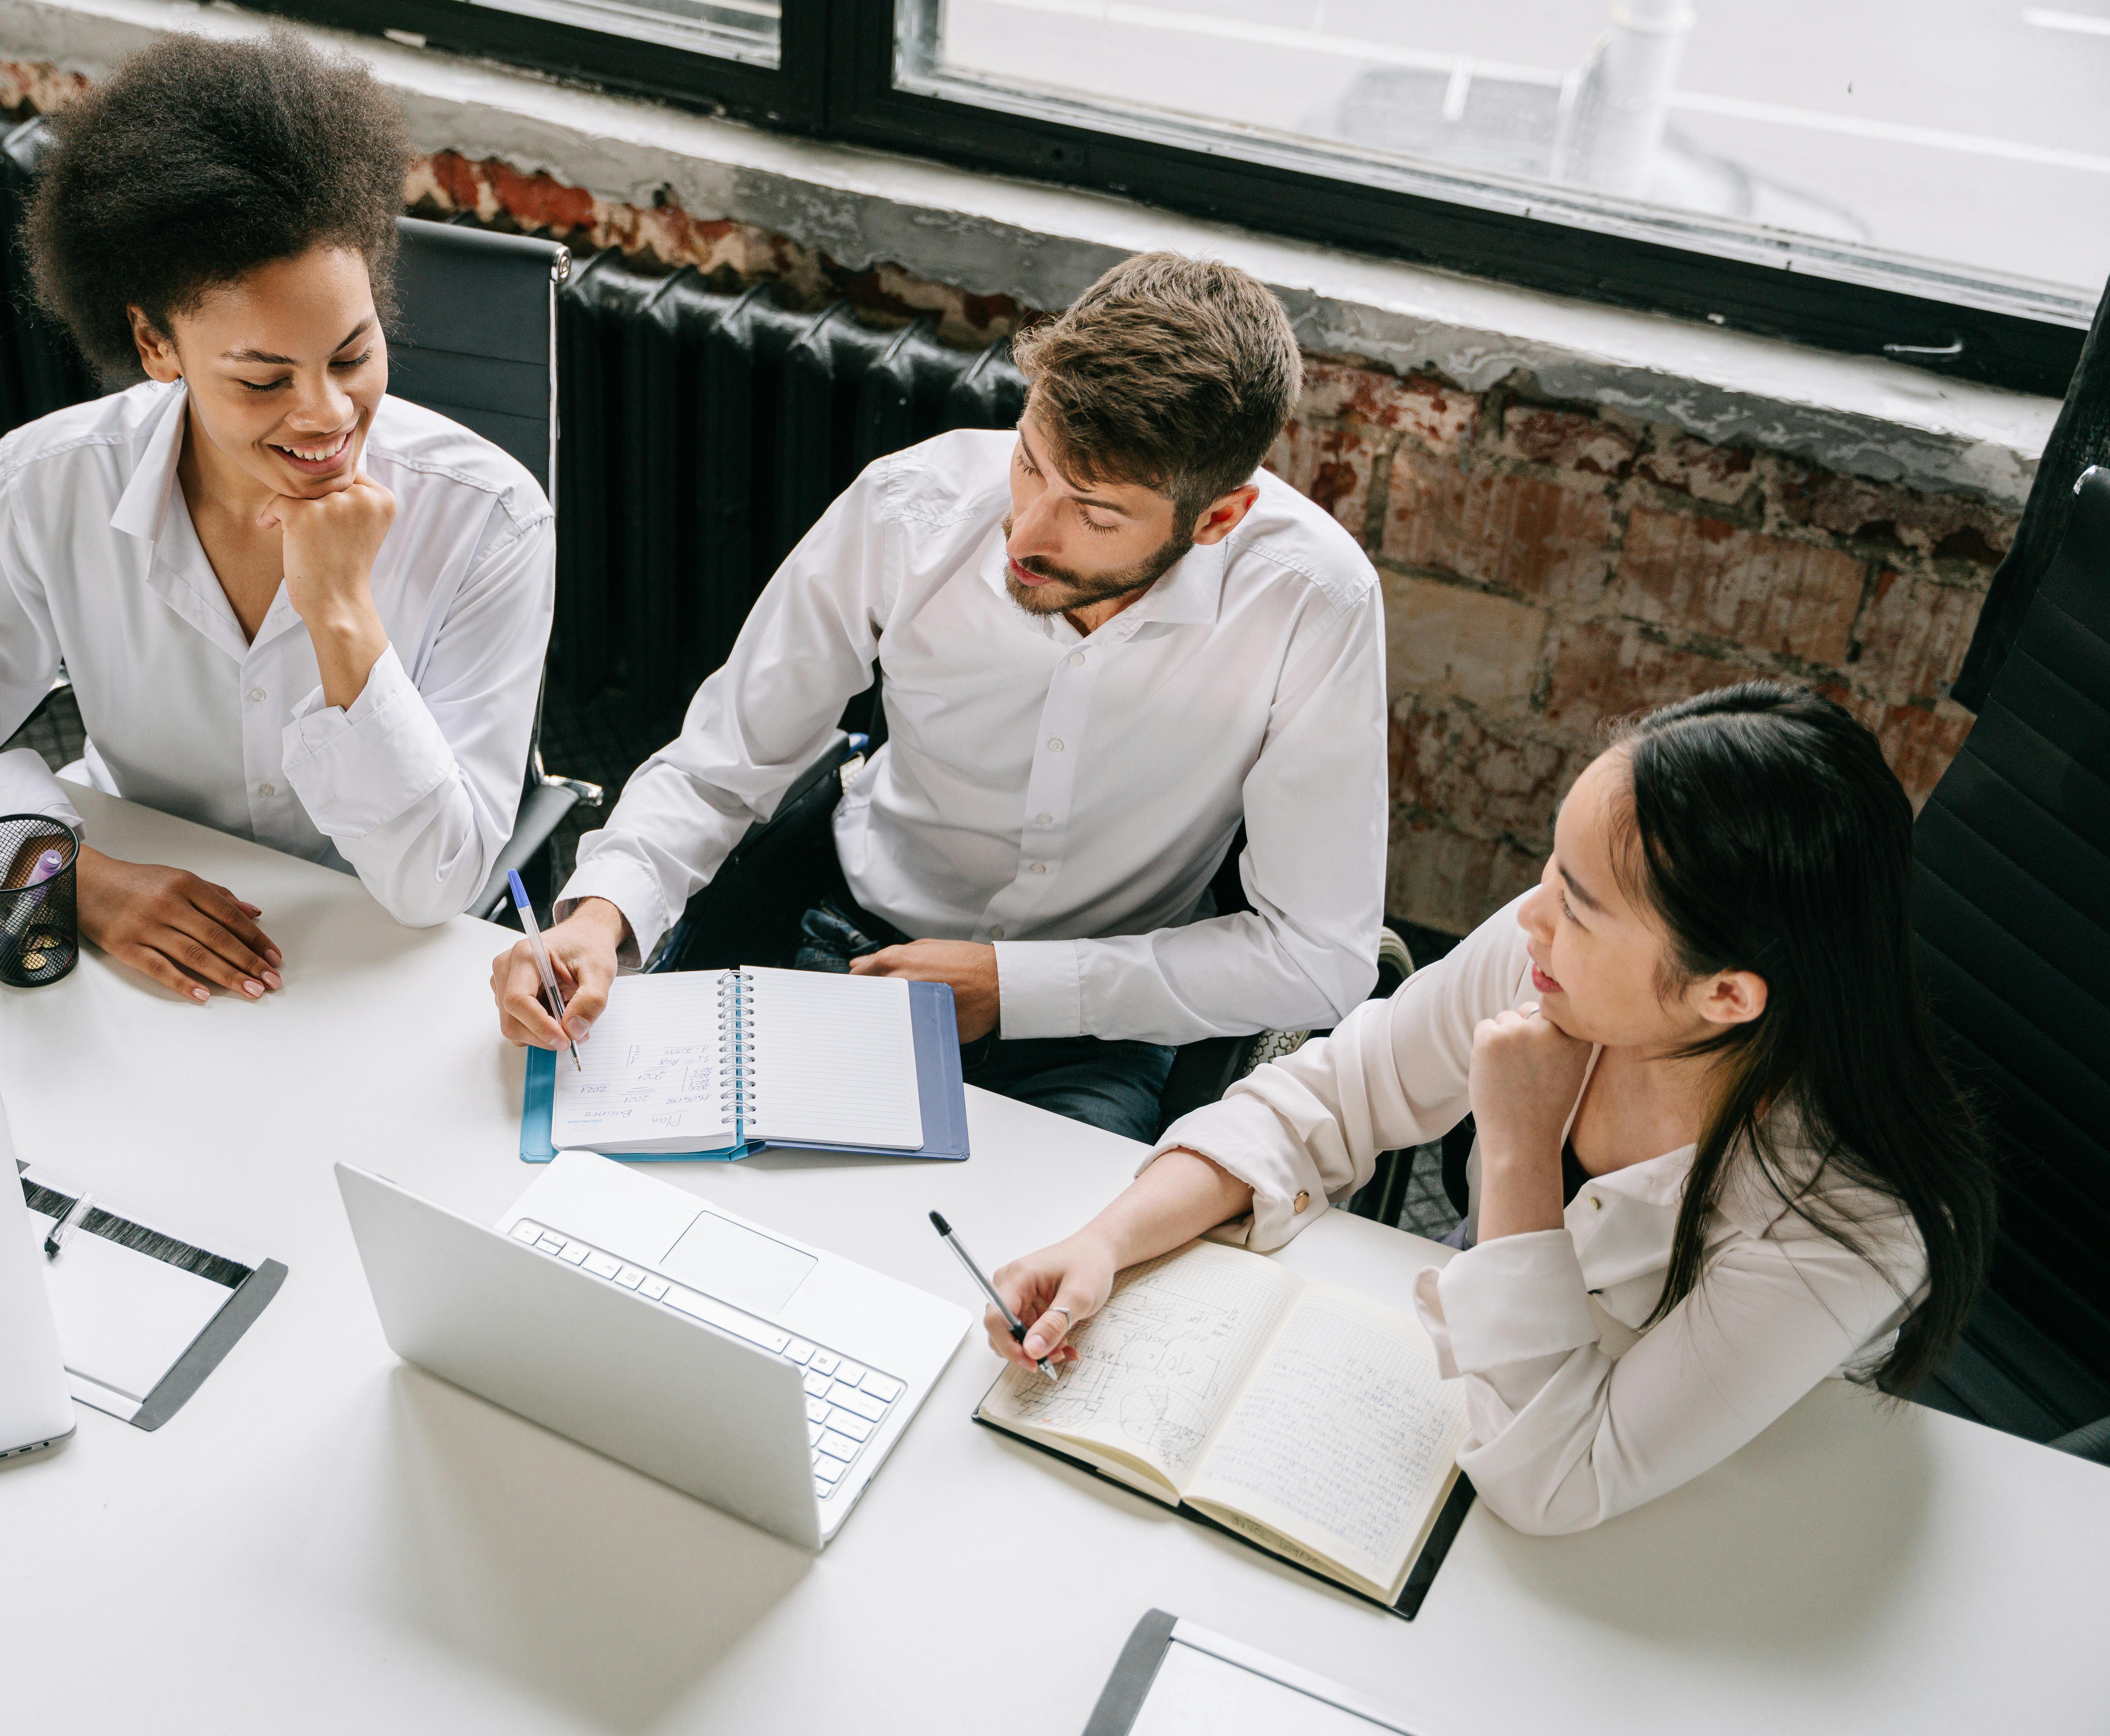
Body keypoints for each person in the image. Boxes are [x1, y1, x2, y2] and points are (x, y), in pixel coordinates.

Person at [980, 683, 1996, 1534]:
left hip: (1701, 1531)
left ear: (1725, 995)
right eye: (1553, 868)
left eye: (1581, 906)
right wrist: (1108, 1242)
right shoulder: (1548, 959)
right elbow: (1327, 1098)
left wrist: (1516, 1148)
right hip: (1457, 1426)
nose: (1529, 917)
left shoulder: (1849, 1225)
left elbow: (1557, 1479)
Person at [491, 252, 1390, 1141]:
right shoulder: (909, 506)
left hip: (1098, 1018)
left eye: (1095, 511)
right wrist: (601, 913)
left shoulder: (1313, 603)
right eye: (1031, 462)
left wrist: (1014, 990)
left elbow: (1323, 958)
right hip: (845, 938)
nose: (1026, 535)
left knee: (1032, 1272)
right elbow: (721, 766)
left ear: (1219, 518)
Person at [0, 33, 552, 1002]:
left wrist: (340, 617)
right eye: (263, 378)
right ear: (157, 345)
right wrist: (85, 886)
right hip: (134, 956)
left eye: (352, 353)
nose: (328, 414)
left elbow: (438, 884)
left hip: (367, 967)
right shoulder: (52, 483)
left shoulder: (492, 519)